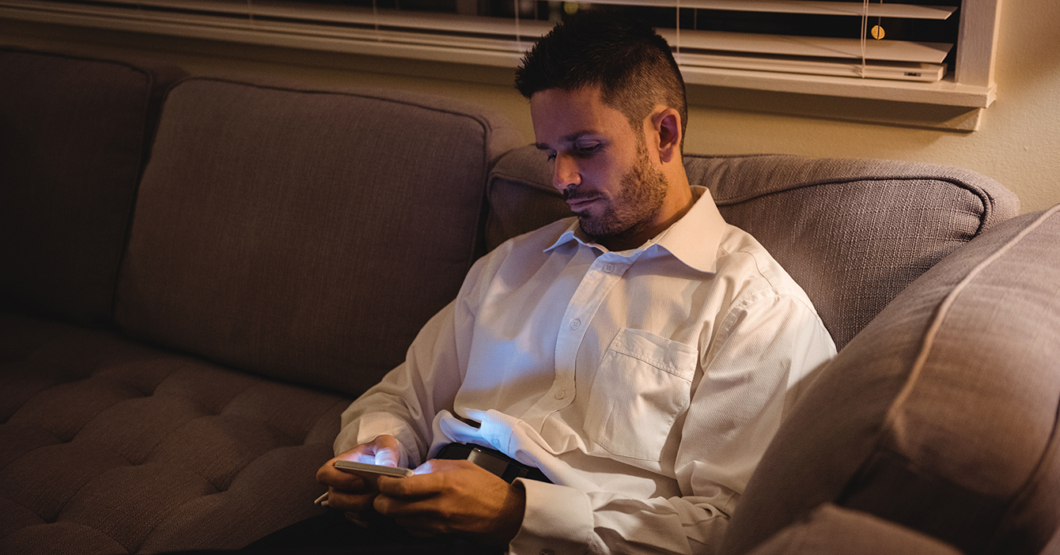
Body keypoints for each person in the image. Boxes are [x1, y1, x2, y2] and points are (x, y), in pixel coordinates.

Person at [268, 9, 835, 555]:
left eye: (585, 149)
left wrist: (516, 515)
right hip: (404, 525)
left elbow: (733, 527)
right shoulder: (513, 265)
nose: (562, 179)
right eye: (550, 153)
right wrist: (378, 452)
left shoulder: (753, 308)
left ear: (664, 133)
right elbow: (400, 398)